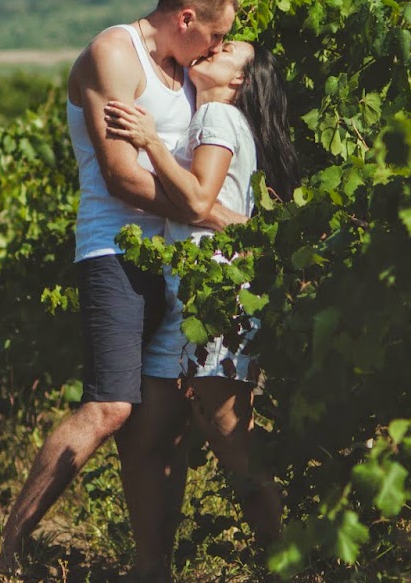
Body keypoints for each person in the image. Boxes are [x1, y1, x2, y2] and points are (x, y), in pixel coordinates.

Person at [0, 0, 240, 581]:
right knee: (110, 406)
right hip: (115, 251)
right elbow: (122, 176)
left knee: (161, 421)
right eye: (214, 34)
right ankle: (3, 551)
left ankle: (153, 569)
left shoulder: (185, 69)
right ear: (185, 19)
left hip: (175, 255)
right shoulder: (113, 54)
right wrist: (209, 212)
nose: (218, 47)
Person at [104, 40, 301, 553]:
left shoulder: (216, 113)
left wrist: (148, 142)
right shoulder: (214, 117)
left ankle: (290, 552)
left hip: (216, 301)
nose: (216, 48)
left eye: (230, 50)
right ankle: (153, 567)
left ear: (239, 80)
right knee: (148, 437)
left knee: (229, 434)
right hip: (191, 300)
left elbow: (197, 200)